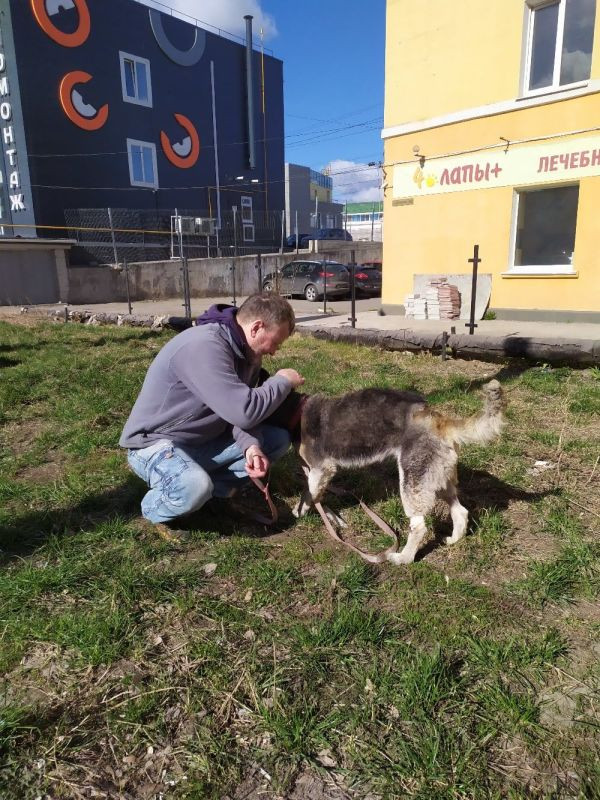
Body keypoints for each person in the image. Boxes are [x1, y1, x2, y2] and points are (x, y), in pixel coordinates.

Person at [120, 293, 304, 540]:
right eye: (275, 342)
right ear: (257, 327)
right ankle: (155, 509)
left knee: (275, 440)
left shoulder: (247, 353)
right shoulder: (204, 346)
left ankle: (216, 496)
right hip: (155, 444)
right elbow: (245, 410)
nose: (274, 352)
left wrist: (250, 448)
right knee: (195, 486)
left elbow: (236, 415)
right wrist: (282, 381)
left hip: (201, 442)